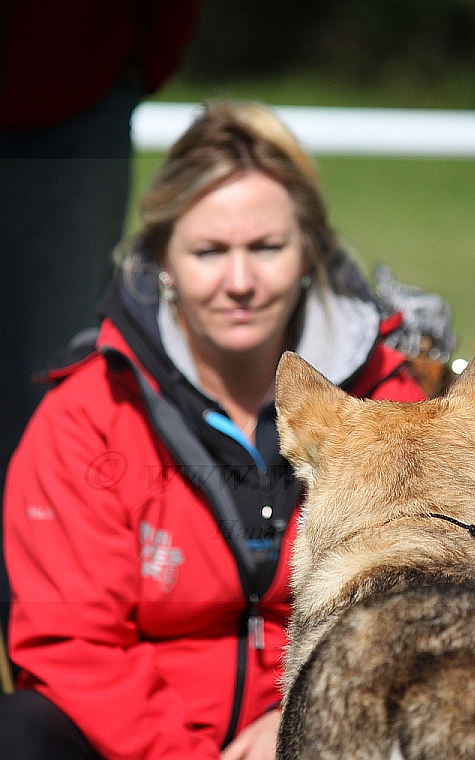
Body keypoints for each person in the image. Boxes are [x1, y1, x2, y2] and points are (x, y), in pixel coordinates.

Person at [0, 101, 426, 760]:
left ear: (309, 250)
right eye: (208, 251)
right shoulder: (86, 413)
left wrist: (306, 717)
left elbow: (418, 604)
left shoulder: (385, 399)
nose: (239, 282)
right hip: (135, 743)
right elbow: (74, 644)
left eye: (266, 248)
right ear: (161, 258)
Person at [0, 0, 203, 639]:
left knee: (50, 389)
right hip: (80, 79)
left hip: (73, 93)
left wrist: (133, 60)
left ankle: (48, 634)